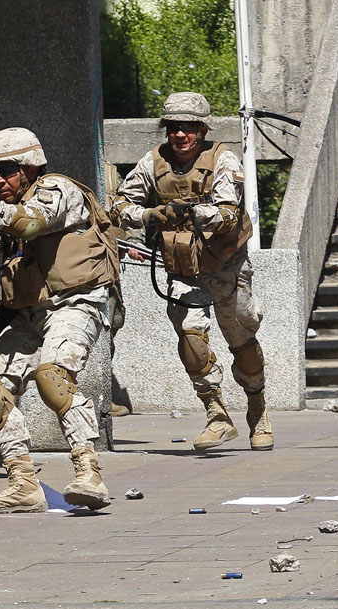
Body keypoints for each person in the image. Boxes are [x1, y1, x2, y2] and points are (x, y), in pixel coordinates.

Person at [0, 126, 119, 513]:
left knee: (53, 376)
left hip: (75, 303)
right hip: (26, 313)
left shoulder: (57, 191)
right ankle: (22, 484)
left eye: (7, 170)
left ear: (29, 167)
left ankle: (88, 472)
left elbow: (30, 223)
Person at [110, 91, 273, 452]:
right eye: (172, 128)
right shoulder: (153, 162)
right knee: (191, 338)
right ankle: (216, 414)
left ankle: (257, 407)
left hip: (227, 268)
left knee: (242, 342)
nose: (179, 135)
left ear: (202, 129)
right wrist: (150, 216)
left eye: (187, 128)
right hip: (183, 268)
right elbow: (121, 204)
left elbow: (229, 212)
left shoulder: (222, 159)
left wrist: (196, 213)